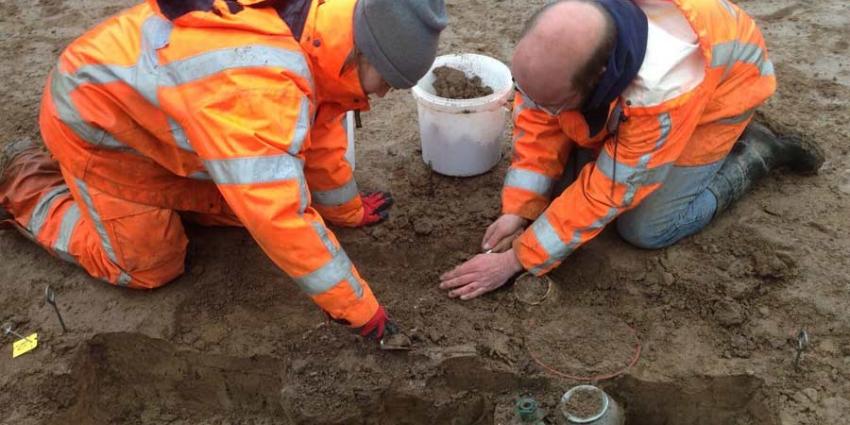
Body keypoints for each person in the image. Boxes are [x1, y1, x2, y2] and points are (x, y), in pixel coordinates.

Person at [0, 0, 447, 343]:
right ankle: (26, 183)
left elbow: (320, 133)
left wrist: (347, 210)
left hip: (162, 124)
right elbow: (279, 217)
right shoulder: (259, 84)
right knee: (150, 265)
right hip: (101, 130)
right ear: (360, 53)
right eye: (386, 80)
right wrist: (358, 308)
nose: (385, 94)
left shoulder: (319, 35)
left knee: (240, 207)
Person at [439, 0, 823, 300]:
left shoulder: (664, 88)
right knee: (559, 190)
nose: (540, 109)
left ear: (604, 77)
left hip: (721, 94)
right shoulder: (569, 26)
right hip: (633, 98)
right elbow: (538, 118)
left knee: (645, 228)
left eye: (554, 102)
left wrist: (516, 259)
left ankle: (760, 151)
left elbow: (611, 189)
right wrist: (518, 208)